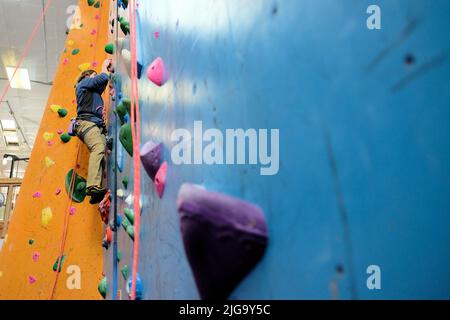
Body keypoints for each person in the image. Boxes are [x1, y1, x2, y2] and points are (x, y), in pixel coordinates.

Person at [75, 59, 113, 203]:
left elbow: (102, 82)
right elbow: (102, 78)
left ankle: (96, 192)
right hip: (86, 123)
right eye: (93, 76)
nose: (95, 78)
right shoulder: (83, 84)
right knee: (98, 147)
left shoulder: (92, 92)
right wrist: (104, 67)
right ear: (87, 76)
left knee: (102, 153)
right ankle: (92, 186)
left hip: (94, 125)